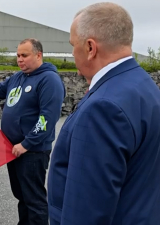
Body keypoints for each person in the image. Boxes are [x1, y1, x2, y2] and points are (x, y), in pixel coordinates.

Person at [47, 2, 160, 225]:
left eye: (73, 45)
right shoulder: (144, 86)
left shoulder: (104, 107)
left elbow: (86, 211)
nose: (72, 53)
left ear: (90, 48)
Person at [0, 38, 65, 225]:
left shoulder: (49, 80)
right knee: (22, 195)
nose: (20, 59)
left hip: (32, 151)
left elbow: (47, 118)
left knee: (34, 199)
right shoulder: (18, 77)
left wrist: (26, 144)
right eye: (18, 55)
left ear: (38, 55)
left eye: (24, 55)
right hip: (13, 149)